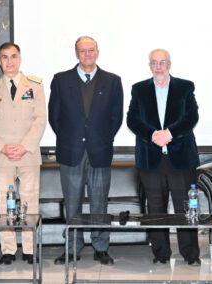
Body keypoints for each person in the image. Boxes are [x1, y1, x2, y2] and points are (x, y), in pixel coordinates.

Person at [48, 36, 123, 265]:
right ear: (76, 53)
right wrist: (71, 139)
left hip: (99, 151)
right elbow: (55, 117)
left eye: (91, 50)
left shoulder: (112, 81)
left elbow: (116, 117)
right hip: (71, 152)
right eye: (83, 50)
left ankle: (101, 247)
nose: (87, 54)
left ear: (97, 52)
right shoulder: (61, 80)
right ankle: (73, 247)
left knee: (100, 204)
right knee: (73, 204)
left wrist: (100, 139)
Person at [127, 49, 201, 265]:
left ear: (169, 64)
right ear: (149, 65)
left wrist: (169, 133)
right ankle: (161, 254)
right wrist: (153, 135)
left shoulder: (185, 87)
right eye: (154, 63)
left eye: (162, 62)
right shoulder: (139, 89)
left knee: (185, 208)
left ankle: (190, 254)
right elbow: (132, 119)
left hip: (180, 159)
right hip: (151, 158)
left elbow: (191, 116)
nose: (158, 67)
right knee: (156, 208)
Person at [0, 42, 46, 265]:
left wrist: (24, 146)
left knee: (30, 203)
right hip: (3, 156)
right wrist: (2, 147)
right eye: (5, 57)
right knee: (4, 204)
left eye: (14, 56)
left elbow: (40, 119)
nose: (10, 61)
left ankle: (29, 250)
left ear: (20, 59)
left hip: (28, 154)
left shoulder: (35, 85)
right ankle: (8, 250)